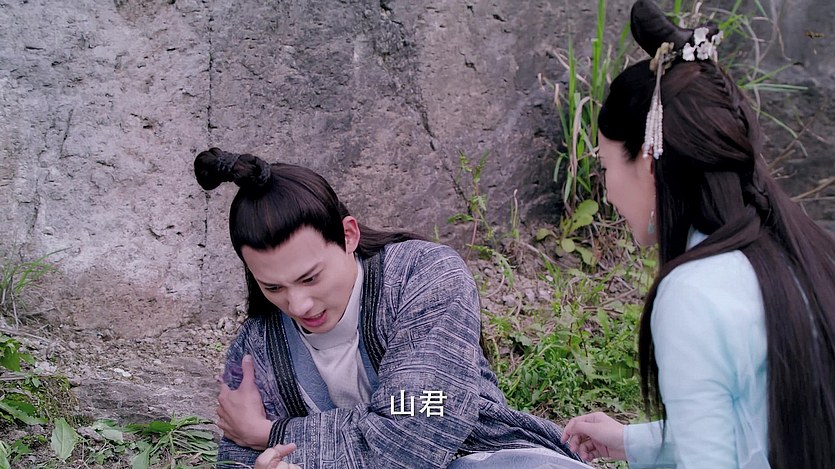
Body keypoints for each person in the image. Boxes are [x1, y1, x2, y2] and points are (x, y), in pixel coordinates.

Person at [560, 1, 835, 468]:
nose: (606, 191)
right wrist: (632, 442)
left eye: (605, 166)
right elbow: (756, 425)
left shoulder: (692, 296)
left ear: (647, 161)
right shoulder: (803, 251)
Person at [193, 148, 591, 468]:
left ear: (349, 235)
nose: (297, 304)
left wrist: (272, 434)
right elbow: (234, 456)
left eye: (311, 278)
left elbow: (417, 429)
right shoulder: (251, 352)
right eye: (273, 287)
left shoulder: (424, 277)